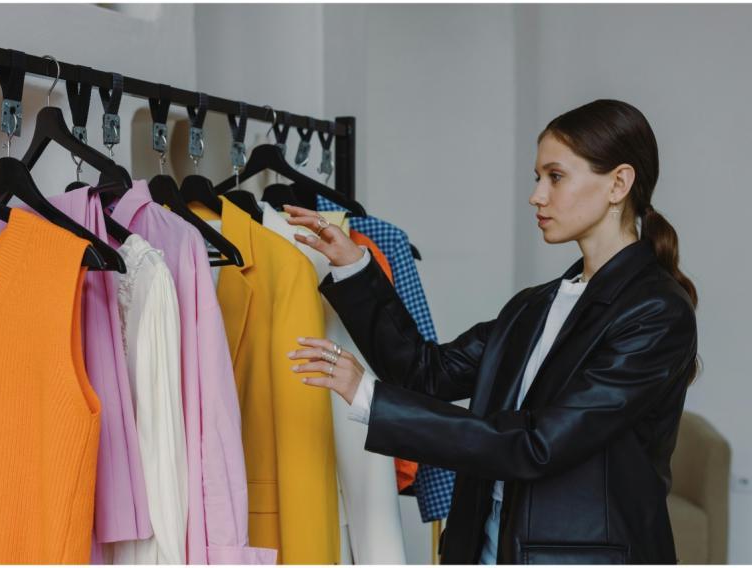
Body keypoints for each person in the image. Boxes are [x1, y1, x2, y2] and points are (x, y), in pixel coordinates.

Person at [283, 99, 700, 565]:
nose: (536, 196)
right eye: (537, 178)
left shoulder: (657, 313)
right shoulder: (535, 305)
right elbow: (426, 372)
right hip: (487, 546)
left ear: (618, 183)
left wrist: (368, 397)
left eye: (555, 177)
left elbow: (538, 443)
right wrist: (354, 267)